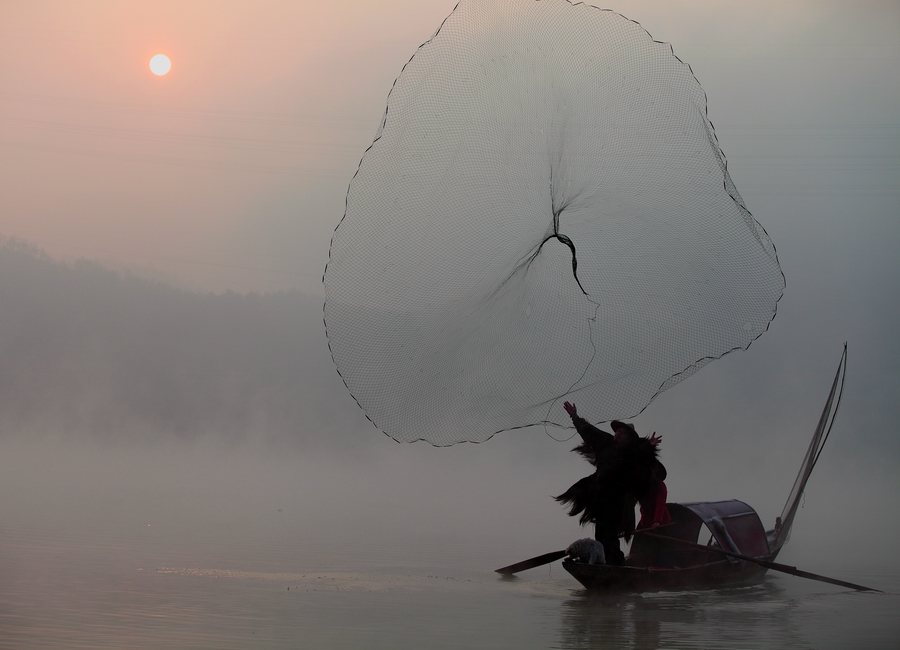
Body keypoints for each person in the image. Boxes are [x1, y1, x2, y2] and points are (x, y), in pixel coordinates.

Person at [555, 401, 664, 566]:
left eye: (622, 432)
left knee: (609, 535)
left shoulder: (632, 453)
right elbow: (589, 432)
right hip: (600, 497)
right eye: (617, 431)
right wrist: (575, 417)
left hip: (619, 501)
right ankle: (606, 564)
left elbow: (641, 454)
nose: (618, 433)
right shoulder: (605, 443)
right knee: (601, 534)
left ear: (629, 437)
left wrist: (649, 445)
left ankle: (616, 564)